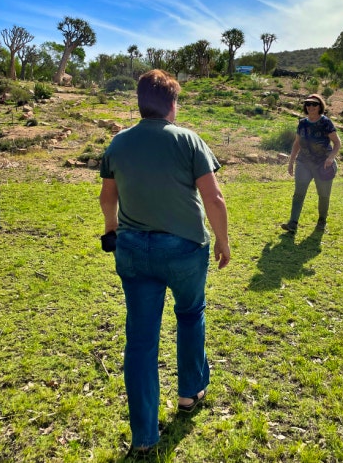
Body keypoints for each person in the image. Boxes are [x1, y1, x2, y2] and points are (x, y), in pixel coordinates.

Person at [98, 69, 230, 455]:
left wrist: (112, 230)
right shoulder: (189, 140)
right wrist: (223, 241)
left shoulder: (118, 143)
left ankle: (143, 437)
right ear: (172, 104)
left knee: (140, 341)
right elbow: (214, 199)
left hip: (134, 249)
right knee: (190, 314)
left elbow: (108, 198)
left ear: (140, 103)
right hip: (185, 248)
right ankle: (190, 393)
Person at [280, 93, 341, 233]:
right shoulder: (302, 123)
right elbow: (297, 144)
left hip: (323, 165)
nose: (310, 106)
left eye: (314, 104)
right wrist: (291, 162)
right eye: (308, 104)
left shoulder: (326, 122)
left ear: (320, 106)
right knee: (299, 194)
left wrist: (331, 158)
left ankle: (322, 222)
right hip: (304, 163)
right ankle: (293, 223)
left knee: (324, 195)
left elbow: (337, 143)